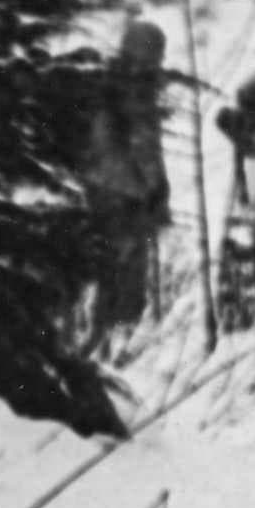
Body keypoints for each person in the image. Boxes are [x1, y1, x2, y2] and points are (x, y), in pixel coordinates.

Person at [82, 17, 171, 336]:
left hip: (101, 184)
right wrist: (157, 189)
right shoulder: (136, 88)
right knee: (128, 269)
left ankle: (103, 332)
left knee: (110, 264)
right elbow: (143, 144)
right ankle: (117, 336)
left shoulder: (111, 81)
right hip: (127, 190)